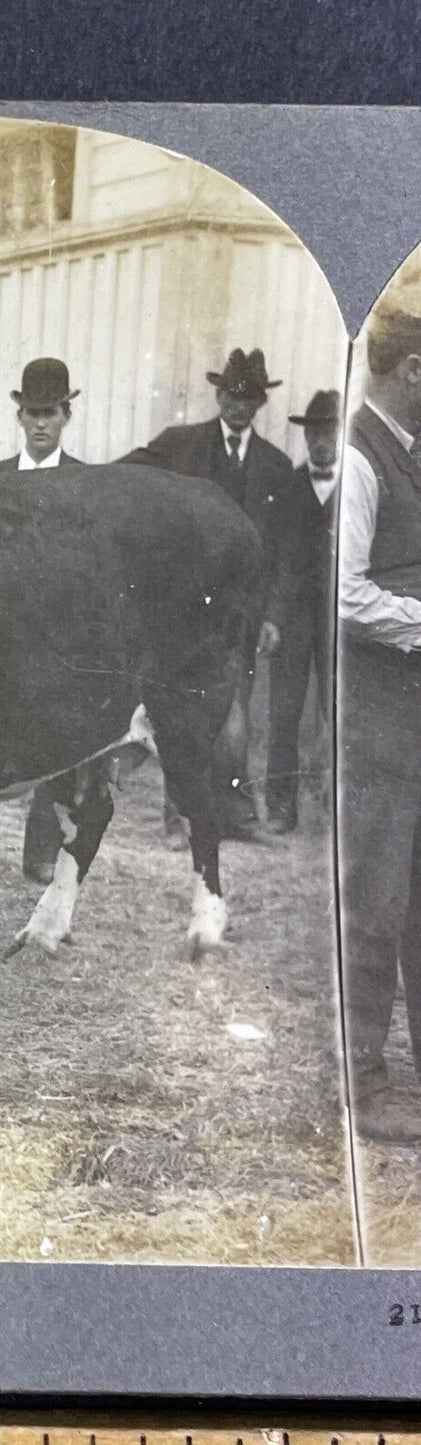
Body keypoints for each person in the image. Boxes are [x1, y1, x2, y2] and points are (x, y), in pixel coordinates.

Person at [120, 348, 293, 843]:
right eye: (230, 395)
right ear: (218, 396)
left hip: (244, 612)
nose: (237, 405)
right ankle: (181, 819)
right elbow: (127, 476)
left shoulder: (275, 466)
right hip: (184, 607)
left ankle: (236, 817)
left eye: (248, 397)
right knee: (180, 710)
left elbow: (283, 555)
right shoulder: (181, 445)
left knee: (235, 712)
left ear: (260, 403)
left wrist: (273, 617)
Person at [0, 359, 85, 888]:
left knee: (57, 745)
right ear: (19, 415)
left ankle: (42, 857)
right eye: (32, 413)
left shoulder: (85, 485)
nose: (41, 423)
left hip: (57, 642)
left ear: (66, 415)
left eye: (51, 413)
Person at [337, 282, 421, 1144]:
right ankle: (362, 1081)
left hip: (414, 711)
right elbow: (344, 594)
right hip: (374, 713)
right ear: (409, 370)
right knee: (373, 895)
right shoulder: (361, 456)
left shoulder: (411, 448)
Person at [264, 389, 340, 835]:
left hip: (340, 623)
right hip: (291, 620)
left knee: (339, 712)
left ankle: (339, 808)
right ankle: (279, 807)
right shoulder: (289, 488)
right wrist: (271, 618)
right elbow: (277, 560)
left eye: (329, 432)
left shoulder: (357, 487)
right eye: (314, 433)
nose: (320, 442)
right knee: (284, 712)